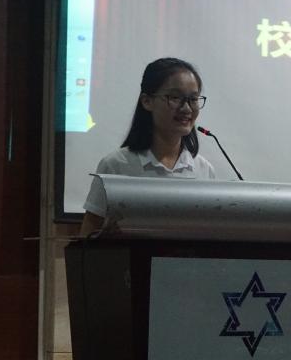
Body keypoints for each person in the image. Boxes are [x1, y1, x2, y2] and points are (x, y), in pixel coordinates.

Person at [80, 57, 216, 235]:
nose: (187, 108)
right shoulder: (116, 165)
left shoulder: (204, 170)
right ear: (147, 101)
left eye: (193, 99)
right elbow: (88, 236)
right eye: (175, 97)